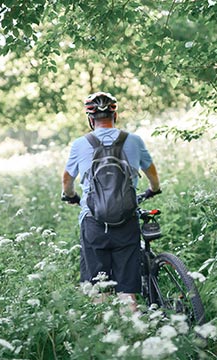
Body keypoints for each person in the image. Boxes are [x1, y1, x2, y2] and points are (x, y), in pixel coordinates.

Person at [61, 91, 160, 312]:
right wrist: (154, 189)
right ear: (115, 116)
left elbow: (67, 179)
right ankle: (135, 340)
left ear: (90, 119)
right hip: (126, 221)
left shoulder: (80, 144)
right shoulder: (133, 140)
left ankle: (109, 343)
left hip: (94, 223)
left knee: (100, 291)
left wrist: (70, 195)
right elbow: (151, 171)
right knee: (127, 293)